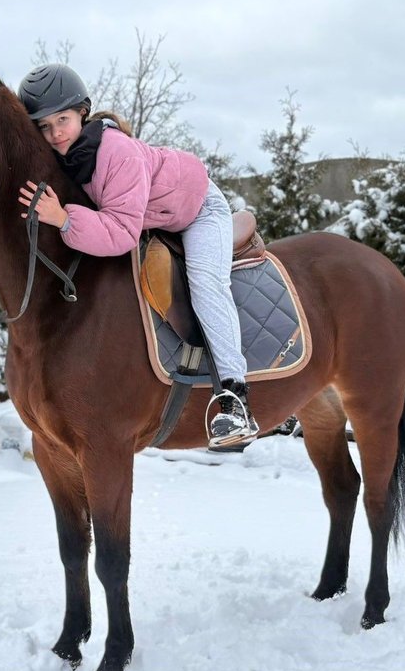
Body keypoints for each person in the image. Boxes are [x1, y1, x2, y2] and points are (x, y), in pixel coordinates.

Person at [17, 63, 259, 451]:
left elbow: (120, 232)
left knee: (203, 280)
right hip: (154, 214)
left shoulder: (118, 153)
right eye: (44, 126)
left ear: (82, 112)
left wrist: (62, 218)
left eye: (62, 119)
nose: (55, 133)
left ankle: (234, 397)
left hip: (197, 209)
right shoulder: (66, 156)